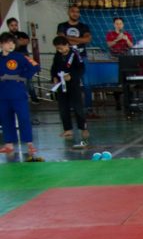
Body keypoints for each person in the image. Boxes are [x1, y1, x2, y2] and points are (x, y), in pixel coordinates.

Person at [0, 32, 41, 160]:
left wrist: (23, 75)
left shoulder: (19, 56)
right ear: (1, 44)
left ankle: (29, 143)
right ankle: (9, 144)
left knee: (23, 117)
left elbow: (35, 67)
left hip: (18, 92)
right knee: (6, 119)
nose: (11, 45)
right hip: (2, 93)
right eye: (8, 42)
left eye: (13, 43)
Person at [49, 36, 88, 147]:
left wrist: (72, 76)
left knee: (78, 107)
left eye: (61, 48)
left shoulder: (75, 54)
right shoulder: (57, 55)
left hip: (73, 84)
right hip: (61, 85)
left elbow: (81, 68)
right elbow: (54, 68)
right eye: (58, 49)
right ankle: (68, 129)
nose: (60, 50)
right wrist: (54, 77)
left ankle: (83, 128)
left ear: (67, 45)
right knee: (63, 108)